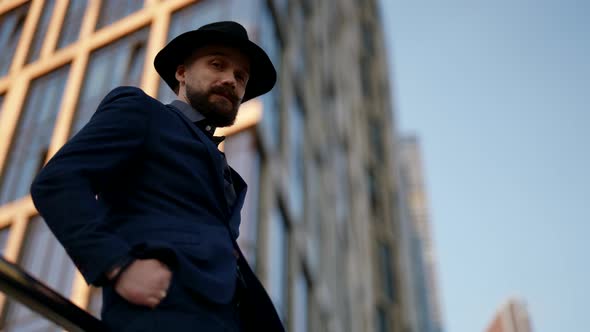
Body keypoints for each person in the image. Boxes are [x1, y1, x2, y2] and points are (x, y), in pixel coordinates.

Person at [30, 21, 284, 332]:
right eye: (217, 64)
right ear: (181, 73)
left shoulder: (225, 171)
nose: (231, 80)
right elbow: (58, 181)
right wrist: (117, 264)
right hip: (162, 314)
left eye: (240, 76)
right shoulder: (142, 112)